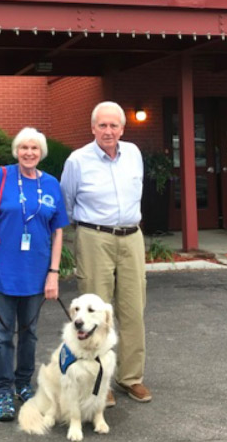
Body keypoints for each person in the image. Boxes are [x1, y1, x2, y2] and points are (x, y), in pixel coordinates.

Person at [0, 127, 69, 422]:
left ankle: (24, 384)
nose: (29, 153)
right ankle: (3, 390)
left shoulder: (51, 184)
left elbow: (58, 231)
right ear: (16, 150)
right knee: (2, 336)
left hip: (36, 272)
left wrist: (54, 273)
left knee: (30, 333)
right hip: (1, 269)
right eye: (24, 147)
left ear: (41, 153)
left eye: (34, 148)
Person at [60, 101, 151, 406]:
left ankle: (131, 378)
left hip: (131, 237)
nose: (108, 131)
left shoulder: (134, 154)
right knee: (93, 315)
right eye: (103, 125)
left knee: (133, 310)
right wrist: (87, 229)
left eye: (114, 126)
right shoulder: (77, 160)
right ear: (93, 128)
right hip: (94, 237)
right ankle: (99, 382)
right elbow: (66, 202)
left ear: (122, 129)